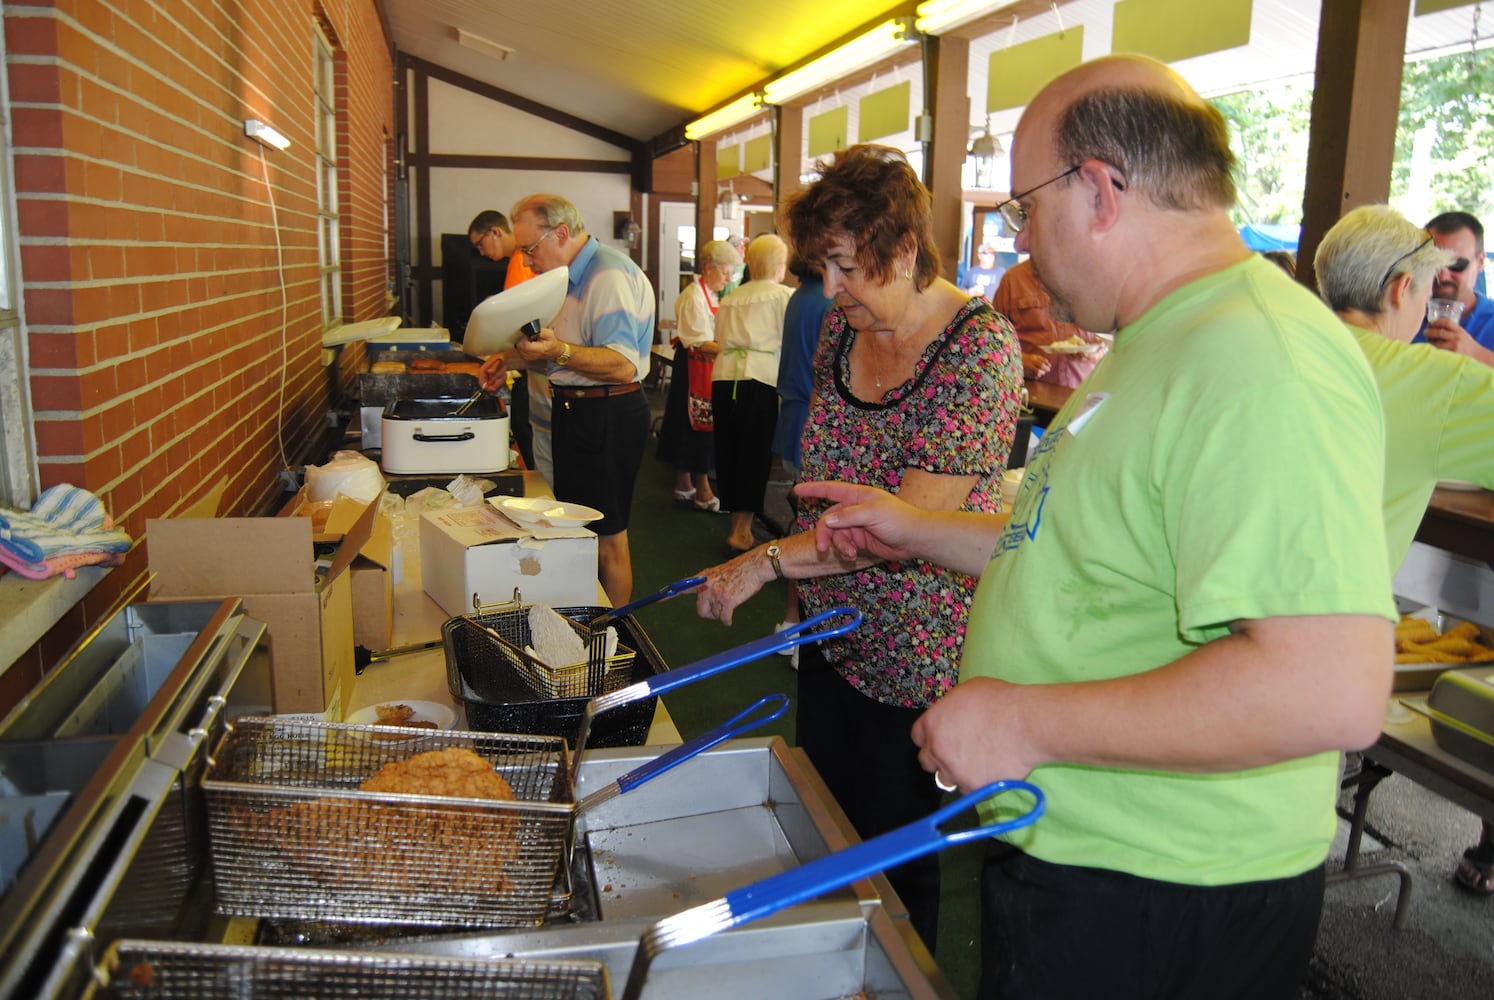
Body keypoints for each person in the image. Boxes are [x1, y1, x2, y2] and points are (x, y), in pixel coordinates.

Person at [797, 56, 1395, 999]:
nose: (1023, 243)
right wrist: (915, 529)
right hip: (1082, 852)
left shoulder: (1259, 357)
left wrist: (1024, 720)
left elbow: (1329, 687)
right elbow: (1076, 550)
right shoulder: (1156, 338)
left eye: (1025, 211)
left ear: (1100, 190)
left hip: (1163, 891)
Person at [694, 143, 1024, 952]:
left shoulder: (977, 351)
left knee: (894, 868)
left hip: (922, 657)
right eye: (821, 268)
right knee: (823, 826)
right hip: (835, 637)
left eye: (844, 267)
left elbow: (897, 529)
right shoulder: (843, 333)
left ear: (904, 248)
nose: (829, 290)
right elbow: (824, 479)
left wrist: (764, 562)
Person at [1315, 204, 1494, 898]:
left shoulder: (1273, 348)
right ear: (1400, 291)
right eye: (1425, 288)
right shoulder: (1427, 383)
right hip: (1320, 664)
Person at [479, 194, 655, 606]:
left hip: (608, 410)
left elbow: (622, 364)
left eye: (530, 249)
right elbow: (564, 356)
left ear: (560, 234)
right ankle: (591, 626)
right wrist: (509, 360)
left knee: (607, 536)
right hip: (579, 408)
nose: (526, 260)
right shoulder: (564, 278)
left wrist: (557, 352)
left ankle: (614, 642)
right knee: (580, 532)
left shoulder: (606, 276)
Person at [770, 258, 833, 662]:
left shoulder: (797, 296)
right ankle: (801, 629)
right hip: (815, 418)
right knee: (814, 526)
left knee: (805, 520)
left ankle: (792, 625)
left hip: (795, 412)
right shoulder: (830, 303)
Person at [713, 234, 791, 552]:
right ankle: (742, 530)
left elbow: (718, 337)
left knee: (728, 452)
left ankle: (736, 524)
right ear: (779, 266)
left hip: (723, 377)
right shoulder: (785, 296)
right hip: (760, 377)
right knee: (754, 455)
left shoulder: (732, 296)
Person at [656, 240, 739, 511]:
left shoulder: (710, 295)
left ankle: (685, 484)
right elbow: (701, 342)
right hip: (694, 367)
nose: (728, 279)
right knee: (697, 426)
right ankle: (700, 488)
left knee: (694, 426)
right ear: (708, 268)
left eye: (730, 274)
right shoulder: (693, 297)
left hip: (701, 366)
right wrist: (736, 347)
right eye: (725, 273)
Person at [468, 210, 542, 471]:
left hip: (530, 362)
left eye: (480, 243)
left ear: (496, 232)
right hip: (525, 361)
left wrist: (502, 357)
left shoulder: (522, 260)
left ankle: (534, 482)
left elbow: (521, 320)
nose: (481, 252)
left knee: (526, 427)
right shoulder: (519, 260)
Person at [991, 257, 1105, 386]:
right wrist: (1016, 362)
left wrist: (1099, 353)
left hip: (1082, 392)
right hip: (1031, 393)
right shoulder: (1013, 280)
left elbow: (1115, 341)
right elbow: (992, 343)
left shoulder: (1095, 278)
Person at [1417, 211, 1494, 366]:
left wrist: (1475, 353)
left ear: (1480, 262)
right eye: (1433, 262)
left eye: (1457, 265)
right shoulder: (1401, 313)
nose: (1443, 276)